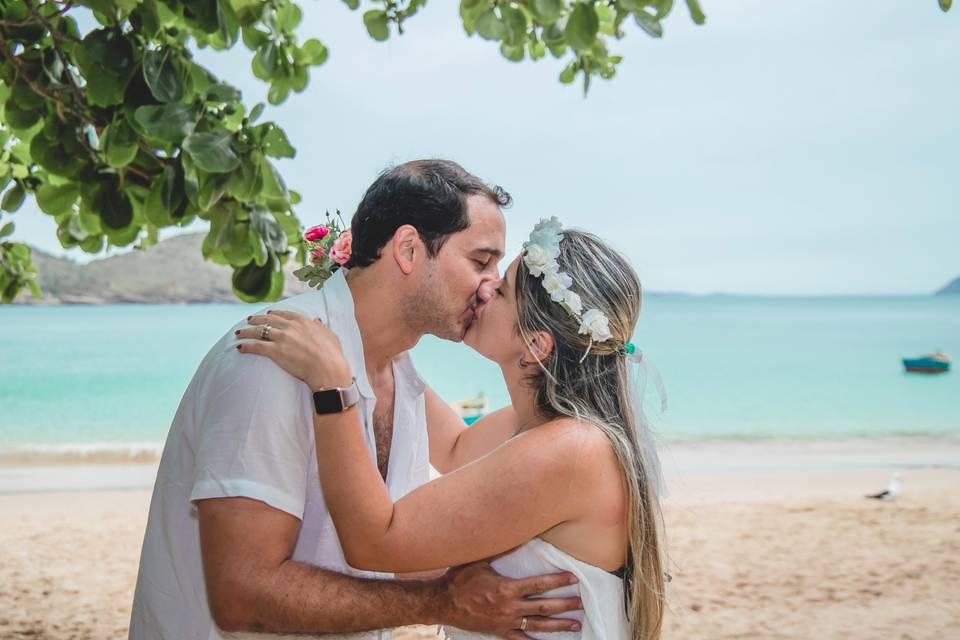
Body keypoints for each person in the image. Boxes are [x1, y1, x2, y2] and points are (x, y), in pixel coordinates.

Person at [129, 161, 584, 640]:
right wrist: (443, 602)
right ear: (409, 249)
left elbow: (450, 465)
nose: (492, 284)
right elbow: (241, 595)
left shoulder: (398, 371)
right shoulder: (270, 359)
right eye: (480, 261)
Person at [236, 219, 667, 640]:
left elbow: (376, 542)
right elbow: (457, 447)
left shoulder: (569, 449)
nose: (484, 288)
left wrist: (332, 387)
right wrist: (370, 319)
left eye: (502, 291)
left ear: (535, 345)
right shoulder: (549, 429)